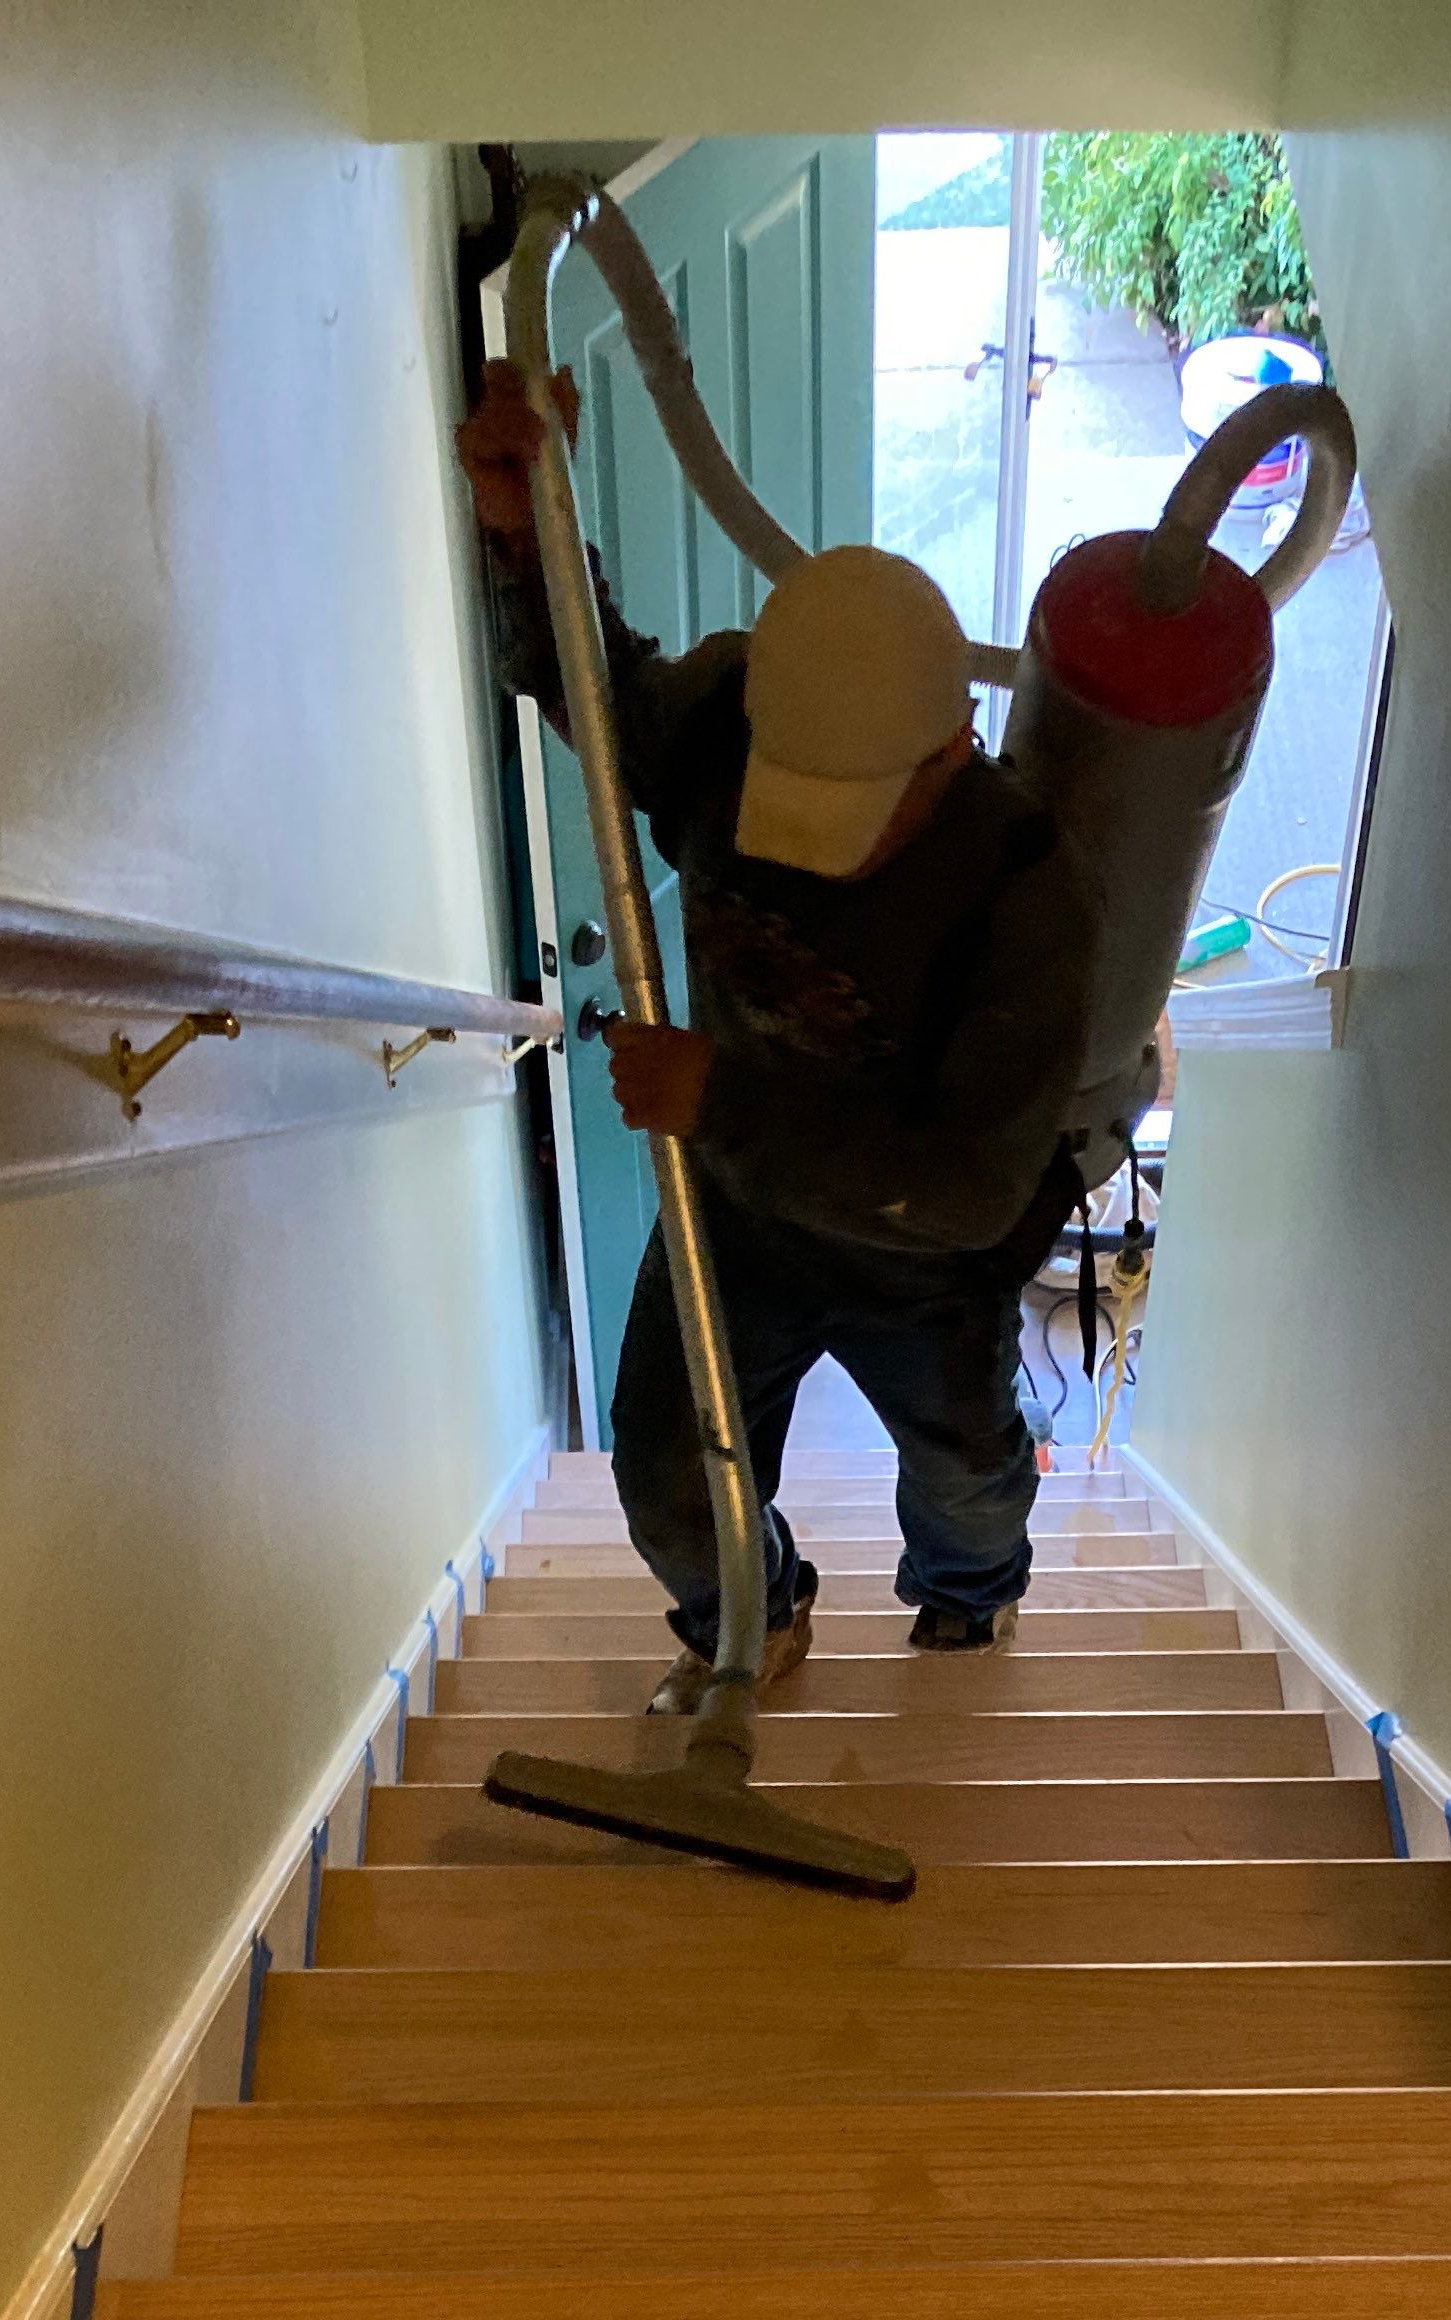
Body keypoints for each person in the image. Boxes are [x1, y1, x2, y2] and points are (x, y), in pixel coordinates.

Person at [456, 364, 1100, 1700]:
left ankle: (970, 1605)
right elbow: (596, 690)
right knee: (661, 1474)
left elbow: (977, 1191)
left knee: (969, 1470)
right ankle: (753, 1610)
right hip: (737, 1213)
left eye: (863, 816)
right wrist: (526, 538)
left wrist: (723, 1098)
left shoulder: (1028, 890)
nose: (827, 862)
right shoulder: (726, 722)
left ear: (952, 746)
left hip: (923, 1249)